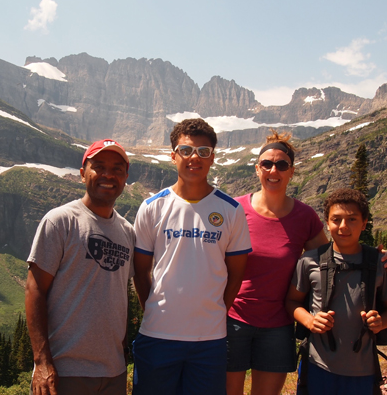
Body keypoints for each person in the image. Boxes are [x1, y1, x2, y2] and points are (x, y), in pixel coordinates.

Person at [226, 131, 387, 395]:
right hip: (233, 319)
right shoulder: (235, 210)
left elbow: (332, 256)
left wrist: (374, 258)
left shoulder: (304, 216)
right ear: (257, 168)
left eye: (282, 165)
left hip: (279, 325)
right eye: (267, 164)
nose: (274, 170)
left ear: (291, 171)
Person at [132, 118, 252, 395]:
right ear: (173, 156)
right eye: (185, 150)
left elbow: (236, 273)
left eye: (203, 151)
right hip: (157, 335)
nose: (194, 157)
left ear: (212, 158)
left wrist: (215, 310)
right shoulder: (152, 207)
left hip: (209, 340)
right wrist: (153, 308)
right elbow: (140, 271)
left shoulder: (231, 210)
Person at [25, 139, 135, 395]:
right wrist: (41, 362)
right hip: (65, 373)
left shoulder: (127, 232)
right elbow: (34, 290)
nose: (108, 175)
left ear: (126, 177)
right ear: (83, 172)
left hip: (114, 372)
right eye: (99, 166)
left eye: (117, 169)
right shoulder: (60, 221)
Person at [285, 188, 387, 395]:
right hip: (317, 365)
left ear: (364, 223)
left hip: (363, 369)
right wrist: (310, 321)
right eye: (336, 219)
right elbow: (292, 302)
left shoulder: (379, 263)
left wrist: (381, 322)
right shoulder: (309, 261)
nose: (343, 226)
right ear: (327, 223)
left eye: (352, 219)